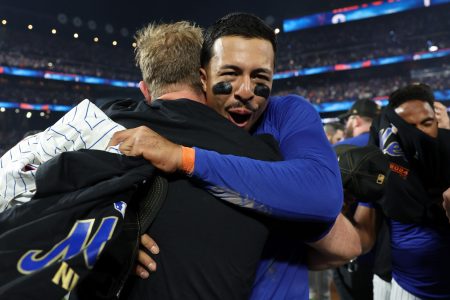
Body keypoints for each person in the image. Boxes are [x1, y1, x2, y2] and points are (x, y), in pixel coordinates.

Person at [110, 13, 360, 299]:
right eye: (230, 74)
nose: (245, 92)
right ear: (203, 78)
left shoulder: (286, 115)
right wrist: (116, 236)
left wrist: (186, 159)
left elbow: (327, 209)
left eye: (260, 77)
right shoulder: (163, 130)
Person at [369, 83, 450, 299]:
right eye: (409, 127)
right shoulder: (383, 170)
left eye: (427, 123)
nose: (420, 134)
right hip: (405, 284)